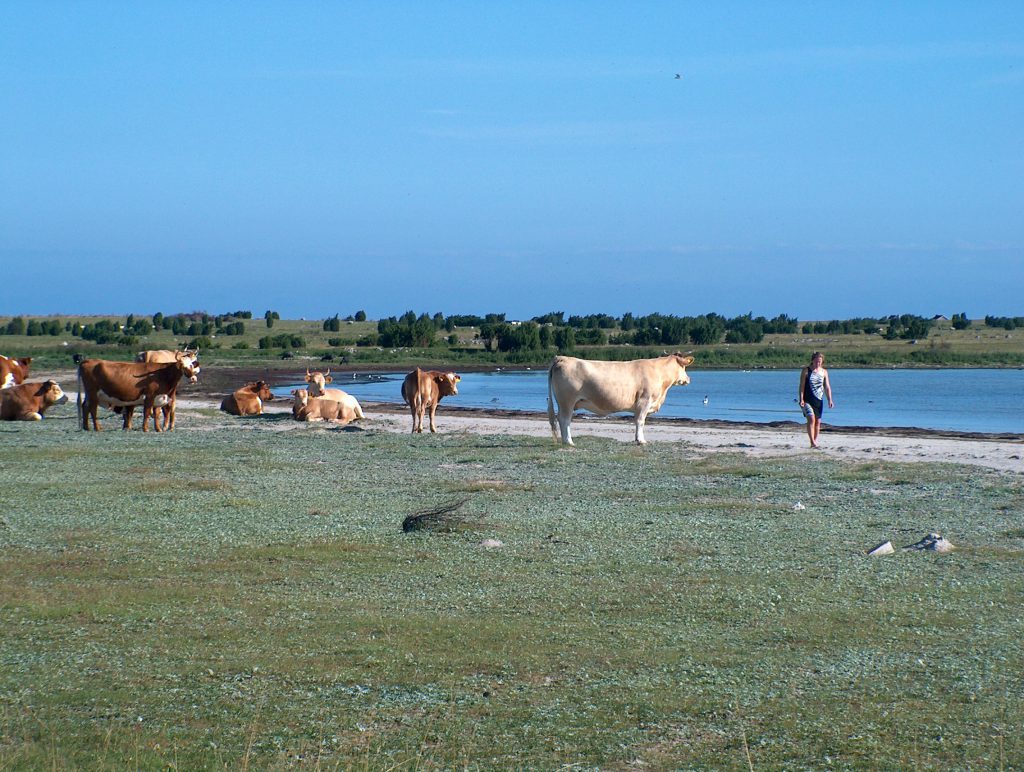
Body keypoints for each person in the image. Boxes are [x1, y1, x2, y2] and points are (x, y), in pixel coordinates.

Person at [798, 351, 833, 448]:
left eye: (820, 361)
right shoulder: (806, 371)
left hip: (819, 400)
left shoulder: (824, 372)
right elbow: (802, 386)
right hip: (807, 399)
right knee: (811, 419)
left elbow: (827, 387)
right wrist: (801, 399)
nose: (818, 363)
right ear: (812, 360)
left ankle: (814, 442)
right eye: (816, 361)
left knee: (818, 422)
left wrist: (830, 399)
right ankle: (812, 442)